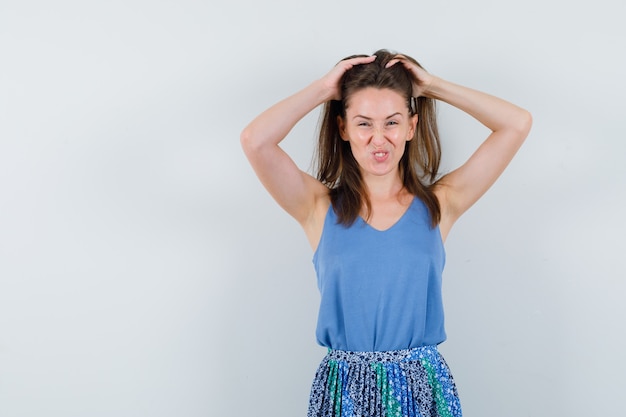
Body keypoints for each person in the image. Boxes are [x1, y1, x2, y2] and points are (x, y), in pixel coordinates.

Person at [240, 49, 532, 417]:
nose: (379, 139)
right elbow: (255, 140)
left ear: (411, 126)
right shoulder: (317, 207)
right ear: (343, 128)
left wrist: (432, 86)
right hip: (343, 390)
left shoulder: (440, 204)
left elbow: (517, 123)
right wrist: (324, 89)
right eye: (364, 123)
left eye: (391, 123)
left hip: (422, 388)